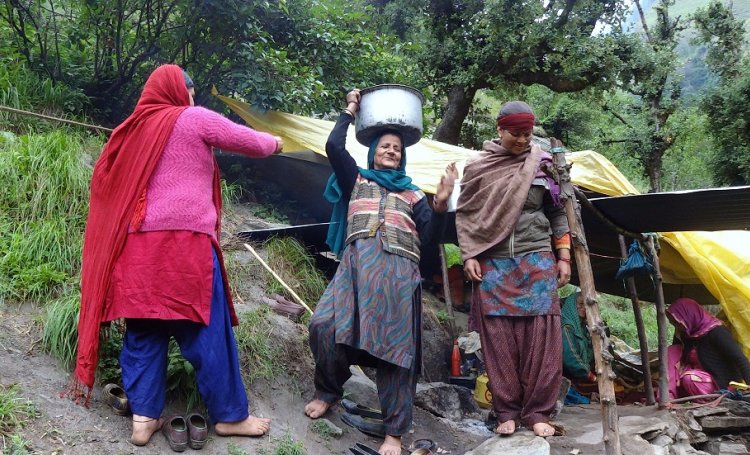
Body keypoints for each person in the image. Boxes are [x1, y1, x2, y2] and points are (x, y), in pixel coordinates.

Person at [69, 64, 283, 447]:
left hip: (133, 249)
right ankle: (231, 417)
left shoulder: (129, 130)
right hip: (185, 247)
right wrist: (277, 142)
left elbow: (104, 185)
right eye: (191, 89)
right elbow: (250, 142)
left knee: (144, 333)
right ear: (179, 90)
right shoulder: (192, 117)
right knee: (207, 332)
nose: (193, 97)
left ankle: (143, 418)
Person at [303, 89, 457, 455]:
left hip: (398, 280)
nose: (392, 151)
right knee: (323, 326)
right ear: (373, 150)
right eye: (386, 146)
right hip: (354, 272)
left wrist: (440, 206)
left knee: (396, 353)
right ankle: (328, 390)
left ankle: (394, 433)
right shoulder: (356, 180)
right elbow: (333, 147)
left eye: (398, 149)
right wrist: (351, 110)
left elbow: (432, 242)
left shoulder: (415, 196)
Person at [455, 101, 571, 437]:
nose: (523, 140)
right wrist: (470, 255)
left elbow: (558, 212)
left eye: (527, 133)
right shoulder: (478, 167)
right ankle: (506, 410)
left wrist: (563, 256)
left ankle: (537, 413)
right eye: (516, 134)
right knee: (498, 338)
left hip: (536, 258)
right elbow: (467, 215)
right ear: (500, 130)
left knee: (541, 337)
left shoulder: (543, 163)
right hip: (493, 262)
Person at [666, 297, 750, 399]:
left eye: (678, 323)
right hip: (696, 373)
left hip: (718, 381)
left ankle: (713, 399)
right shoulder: (687, 334)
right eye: (674, 323)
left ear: (690, 316)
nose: (677, 327)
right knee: (672, 351)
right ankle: (668, 396)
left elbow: (739, 359)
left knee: (689, 379)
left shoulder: (717, 332)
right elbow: (675, 358)